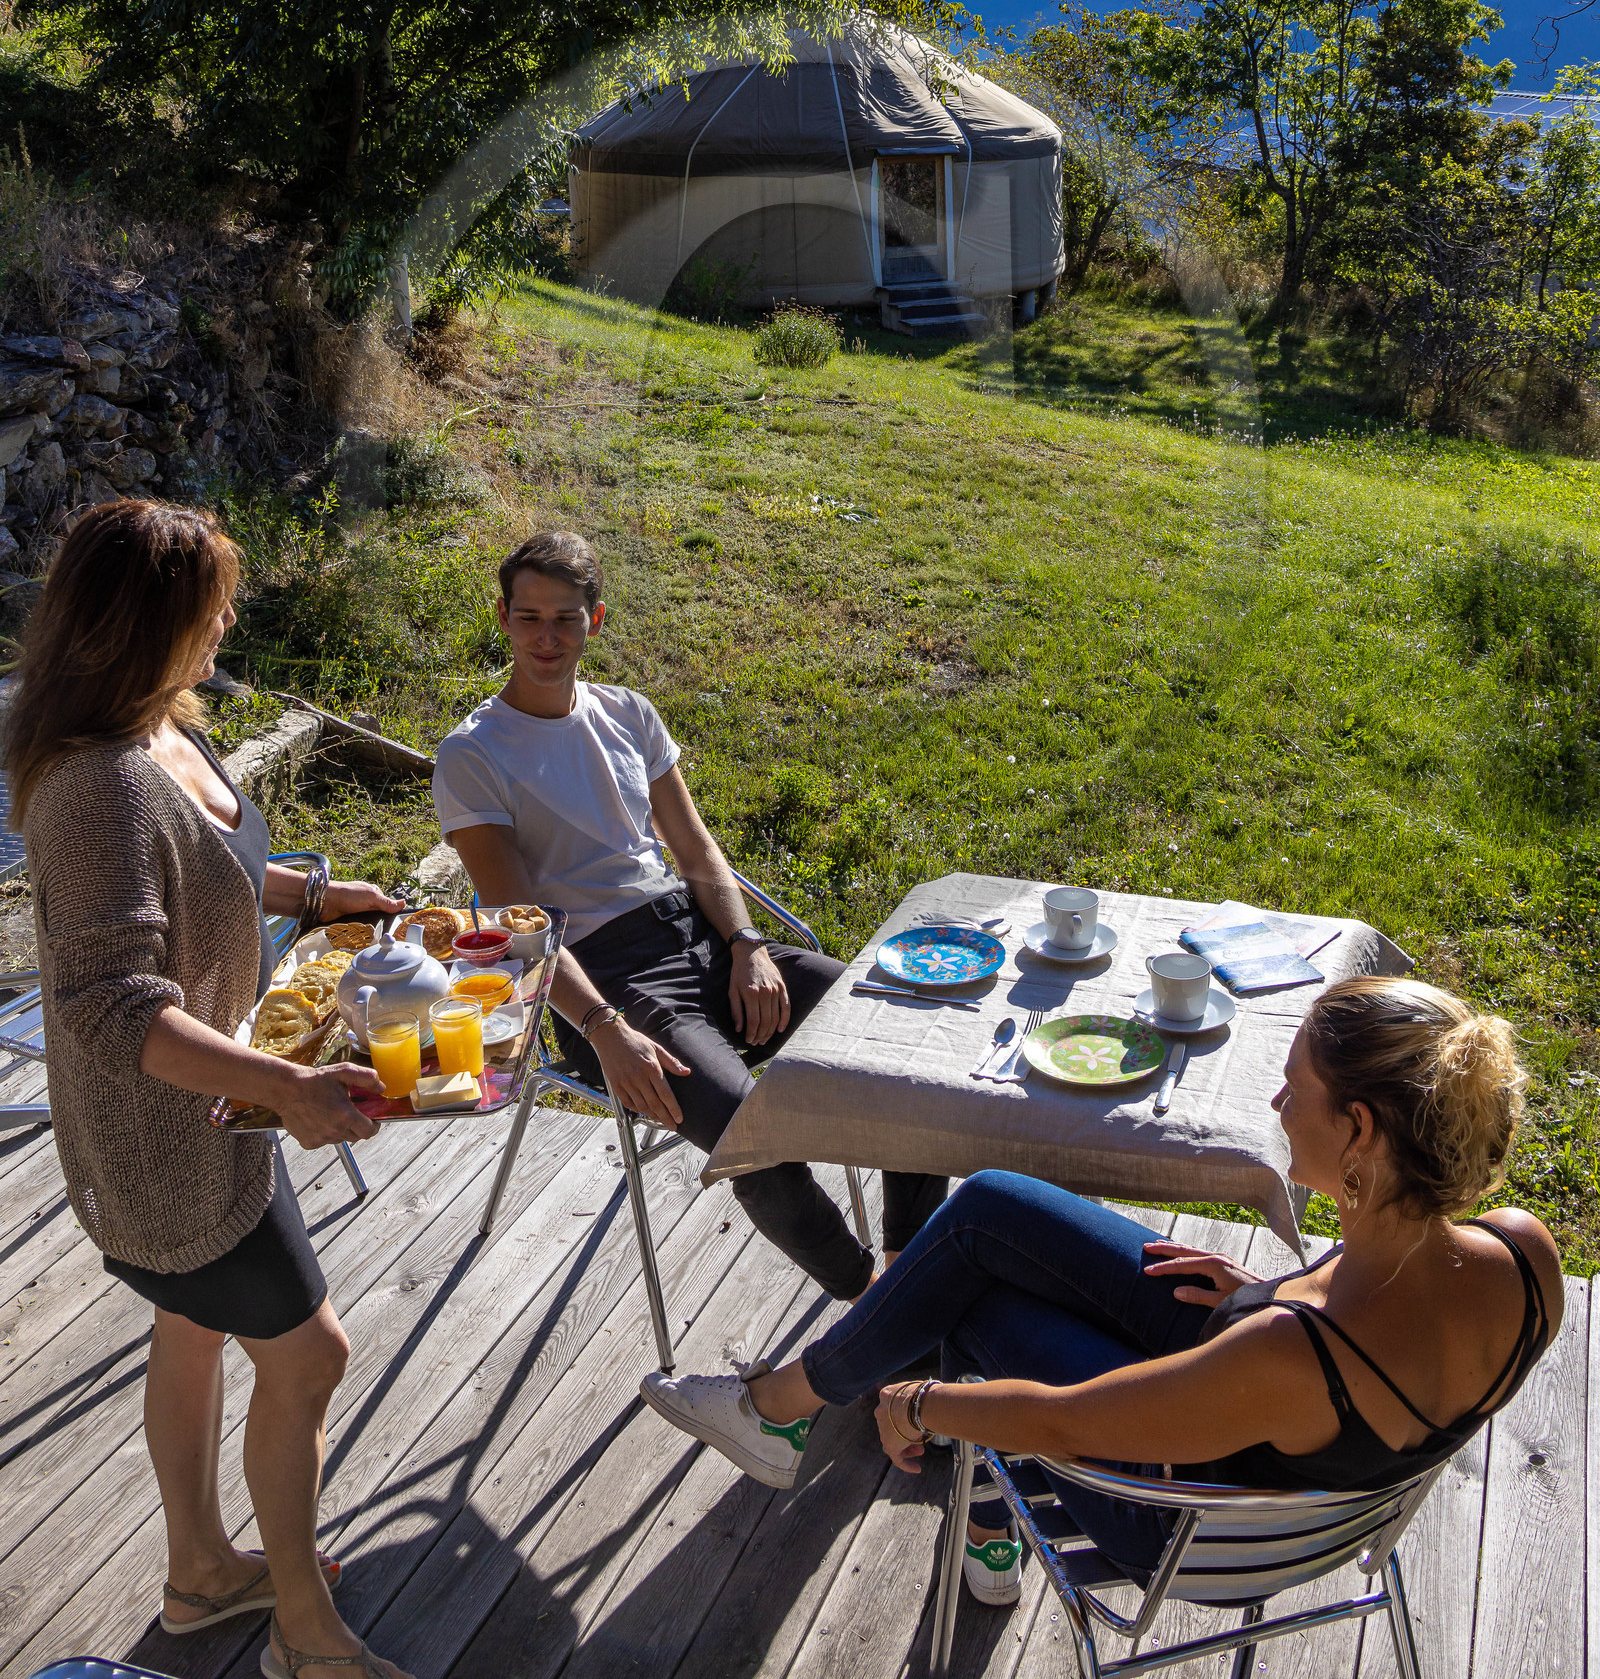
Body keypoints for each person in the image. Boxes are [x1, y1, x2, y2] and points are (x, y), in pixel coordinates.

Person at [640, 977, 1561, 1609]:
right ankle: (784, 1406)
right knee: (987, 1210)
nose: (1278, 1109)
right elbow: (1383, 1325)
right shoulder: (1525, 1255)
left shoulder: (1293, 1352)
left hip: (1177, 1523)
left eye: (1293, 1092)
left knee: (978, 1306)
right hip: (1285, 1424)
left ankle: (955, 1516)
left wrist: (918, 1402)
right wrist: (1269, 1291)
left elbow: (1065, 1424)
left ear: (1358, 1129)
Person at [9, 498, 410, 1679]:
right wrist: (287, 1087)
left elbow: (214, 860)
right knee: (310, 1356)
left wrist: (310, 897)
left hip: (219, 1104)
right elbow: (106, 1005)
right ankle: (305, 1630)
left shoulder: (166, 731)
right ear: (147, 624)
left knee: (188, 1334)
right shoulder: (97, 787)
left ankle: (198, 1576)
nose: (230, 616)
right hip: (168, 1149)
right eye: (211, 602)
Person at [433, 528, 945, 1300]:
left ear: (594, 622)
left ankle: (910, 1267)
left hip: (697, 936)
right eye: (530, 616)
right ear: (502, 616)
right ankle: (869, 1299)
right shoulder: (474, 753)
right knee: (753, 1132)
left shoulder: (629, 714)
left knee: (895, 1038)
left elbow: (698, 851)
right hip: (598, 980)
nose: (547, 637)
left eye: (565, 618)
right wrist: (603, 1029)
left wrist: (746, 943)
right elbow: (523, 922)